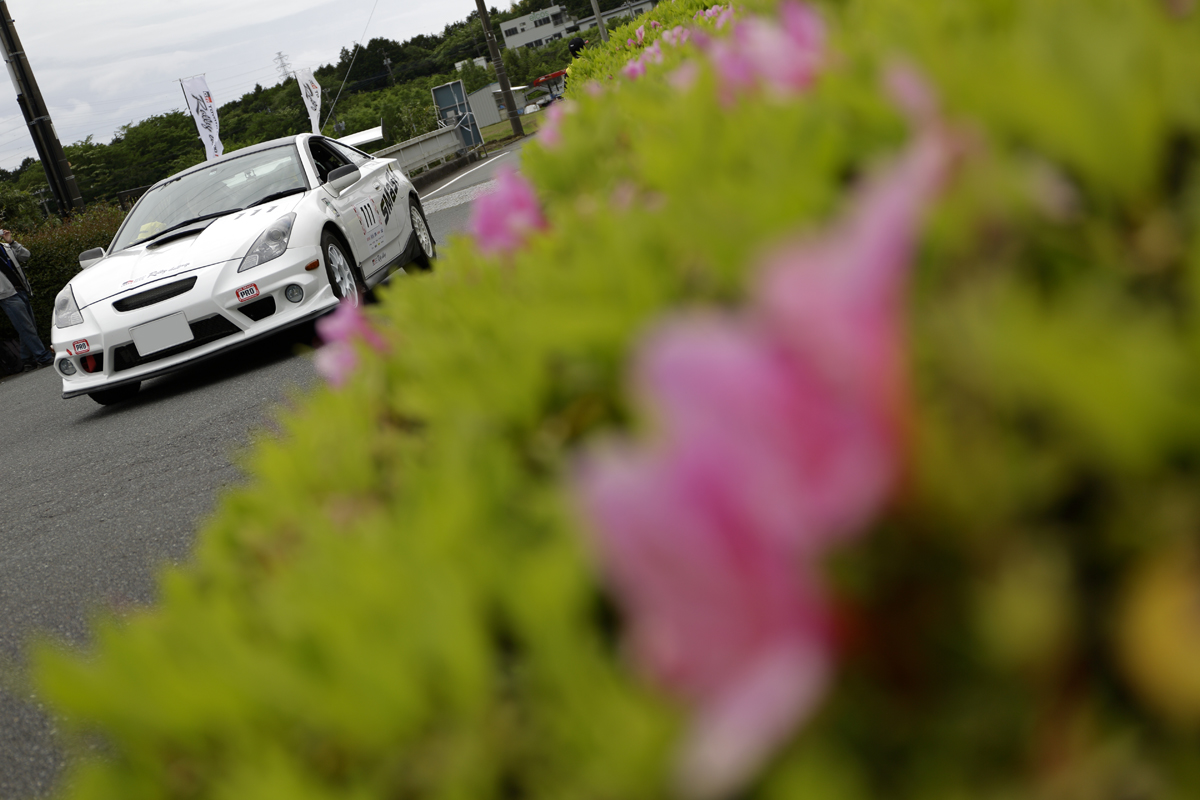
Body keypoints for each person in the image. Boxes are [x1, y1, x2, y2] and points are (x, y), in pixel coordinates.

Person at [0, 228, 53, 371]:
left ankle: (27, 360)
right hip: (7, 296)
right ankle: (43, 357)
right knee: (26, 327)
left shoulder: (6, 247)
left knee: (27, 327)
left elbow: (25, 255)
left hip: (21, 290)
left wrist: (11, 242)